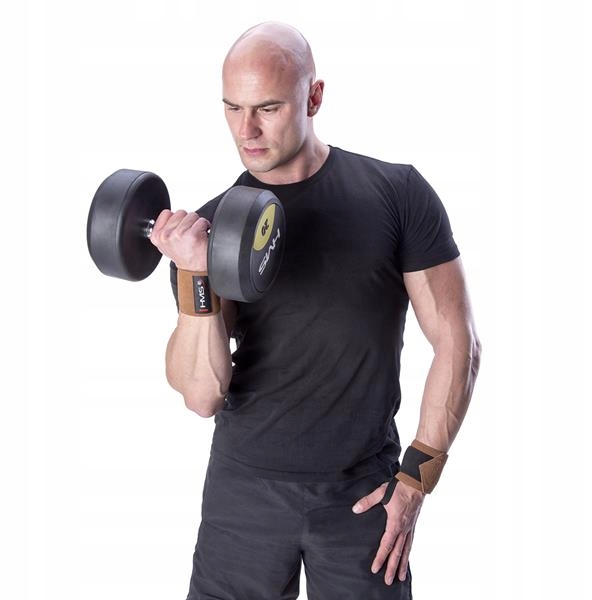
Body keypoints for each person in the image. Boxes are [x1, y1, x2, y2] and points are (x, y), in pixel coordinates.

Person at [150, 21, 481, 600]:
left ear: (314, 97)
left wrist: (416, 479)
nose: (247, 131)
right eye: (232, 108)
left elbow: (458, 343)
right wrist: (196, 273)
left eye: (267, 108)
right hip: (242, 498)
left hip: (364, 498)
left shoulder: (397, 195)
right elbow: (201, 396)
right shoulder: (208, 231)